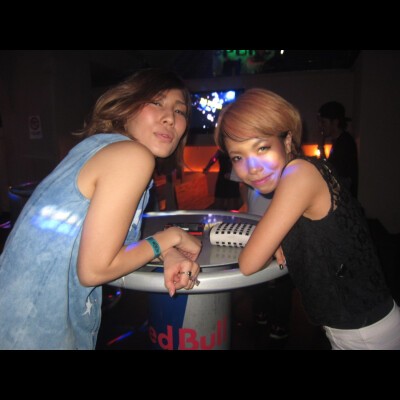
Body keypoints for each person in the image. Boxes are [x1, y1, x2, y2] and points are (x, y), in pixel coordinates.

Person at [0, 68, 202, 350]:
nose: (170, 117)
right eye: (156, 102)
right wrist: (174, 236)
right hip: (29, 333)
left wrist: (166, 252)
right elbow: (95, 269)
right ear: (126, 107)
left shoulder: (98, 149)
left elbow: (110, 244)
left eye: (179, 111)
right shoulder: (132, 156)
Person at [214, 88, 400, 350]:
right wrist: (280, 240)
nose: (252, 167)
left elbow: (249, 263)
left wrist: (268, 242)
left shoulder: (298, 174)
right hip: (361, 327)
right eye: (238, 157)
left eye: (262, 147)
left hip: (366, 335)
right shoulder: (308, 168)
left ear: (287, 140)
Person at [240, 184, 294, 340]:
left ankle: (279, 321)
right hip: (255, 219)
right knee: (261, 273)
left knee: (282, 273)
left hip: (284, 223)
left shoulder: (295, 173)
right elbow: (242, 185)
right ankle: (261, 311)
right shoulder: (244, 170)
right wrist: (247, 205)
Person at [317, 101, 358, 198]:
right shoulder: (339, 141)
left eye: (323, 122)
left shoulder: (345, 142)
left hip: (344, 201)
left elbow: (333, 174)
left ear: (335, 122)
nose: (320, 126)